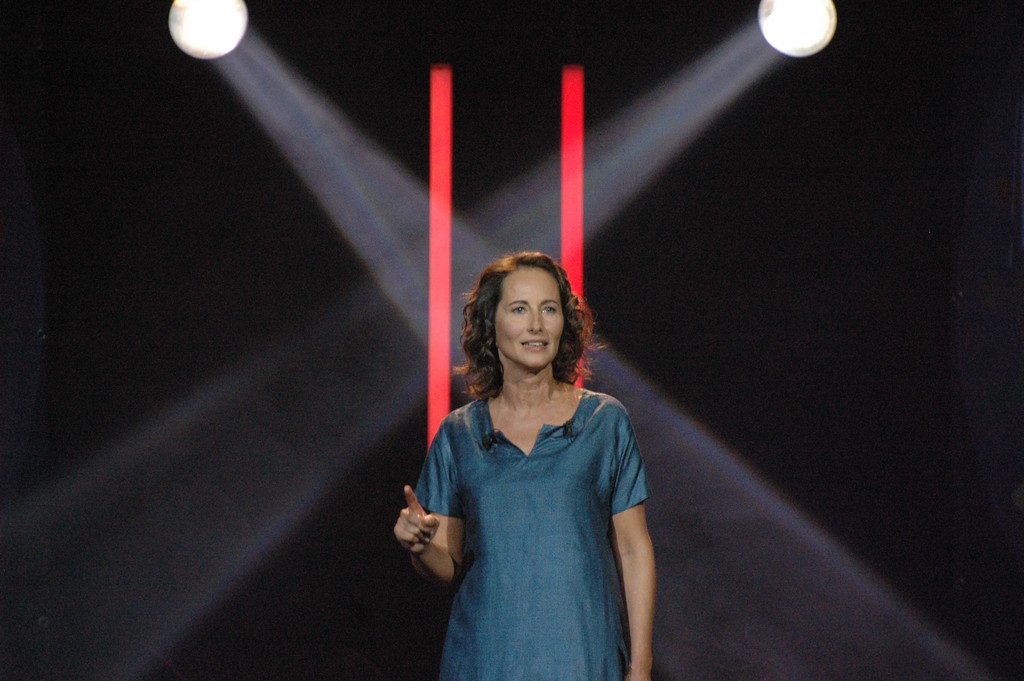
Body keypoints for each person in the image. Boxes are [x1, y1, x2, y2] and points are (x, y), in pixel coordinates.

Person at [393, 252, 655, 681]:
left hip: (583, 659)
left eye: (548, 309)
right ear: (490, 325)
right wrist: (420, 546)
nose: (536, 324)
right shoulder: (458, 435)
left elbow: (633, 548)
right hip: (485, 660)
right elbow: (446, 567)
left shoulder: (605, 422)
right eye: (519, 309)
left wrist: (640, 666)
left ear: (563, 324)